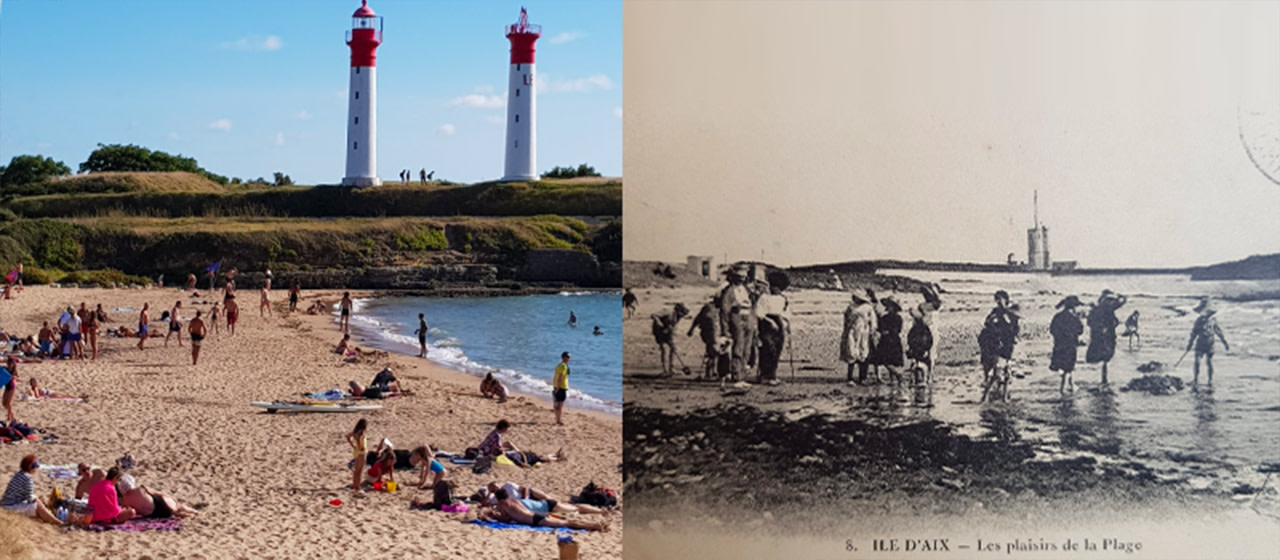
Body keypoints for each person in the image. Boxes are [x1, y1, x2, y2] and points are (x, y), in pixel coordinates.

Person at [479, 488, 609, 531]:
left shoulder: (503, 505)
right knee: (567, 519)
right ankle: (595, 524)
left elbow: (506, 520)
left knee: (566, 523)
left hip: (535, 519)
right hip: (537, 514)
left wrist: (494, 515)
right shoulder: (514, 501)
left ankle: (594, 525)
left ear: (499, 499)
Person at [978, 290, 1020, 402]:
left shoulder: (1012, 312)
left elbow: (1015, 328)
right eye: (996, 299)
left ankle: (1004, 396)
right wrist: (994, 325)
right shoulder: (995, 312)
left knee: (1007, 373)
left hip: (1009, 345)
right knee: (997, 373)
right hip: (998, 344)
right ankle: (985, 395)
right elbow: (987, 322)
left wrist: (1013, 332)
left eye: (1000, 299)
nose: (998, 301)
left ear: (1006, 299)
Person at [1, 455, 65, 526]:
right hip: (10, 506)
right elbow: (29, 498)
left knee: (37, 501)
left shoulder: (19, 474)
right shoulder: (27, 478)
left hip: (6, 503)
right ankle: (56, 522)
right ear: (32, 467)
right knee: (37, 506)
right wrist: (38, 501)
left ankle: (53, 518)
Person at [719, 266, 756, 381]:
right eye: (739, 277)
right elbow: (724, 311)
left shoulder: (746, 290)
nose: (742, 279)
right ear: (733, 277)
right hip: (736, 317)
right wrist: (725, 330)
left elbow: (753, 305)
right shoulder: (728, 291)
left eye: (744, 277)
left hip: (748, 317)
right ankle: (736, 375)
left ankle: (743, 375)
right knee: (738, 347)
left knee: (747, 348)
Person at [755, 272, 791, 386]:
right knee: (767, 349)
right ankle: (763, 375)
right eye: (773, 286)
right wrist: (769, 321)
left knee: (777, 350)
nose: (775, 289)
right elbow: (759, 313)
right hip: (766, 324)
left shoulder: (783, 299)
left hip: (779, 324)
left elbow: (786, 313)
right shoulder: (764, 298)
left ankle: (772, 375)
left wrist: (786, 325)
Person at [1086, 290, 1127, 385]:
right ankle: (1103, 379)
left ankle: (1103, 379)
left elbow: (1123, 301)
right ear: (1103, 300)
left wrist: (1119, 296)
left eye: (1110, 300)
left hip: (1107, 336)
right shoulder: (1102, 309)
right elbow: (1090, 322)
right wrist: (1101, 328)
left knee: (1105, 358)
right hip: (1102, 337)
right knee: (1104, 357)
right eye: (1108, 300)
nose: (1109, 302)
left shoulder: (1107, 308)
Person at [1187, 298, 1230, 388]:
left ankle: (1210, 380)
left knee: (1209, 362)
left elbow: (1219, 331)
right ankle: (1195, 379)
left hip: (1210, 343)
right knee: (1197, 362)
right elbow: (1194, 333)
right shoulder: (1198, 321)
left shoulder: (1213, 320)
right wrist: (1190, 344)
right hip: (1200, 343)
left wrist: (1224, 342)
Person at [116, 474, 199, 519]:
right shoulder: (141, 489)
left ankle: (185, 515)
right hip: (160, 503)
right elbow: (157, 493)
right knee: (177, 506)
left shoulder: (125, 500)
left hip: (153, 514)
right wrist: (167, 496)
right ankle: (192, 511)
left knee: (173, 513)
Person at [1049, 295, 1086, 393]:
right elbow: (1080, 330)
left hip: (1058, 345)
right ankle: (1063, 389)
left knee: (1065, 367)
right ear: (1074, 307)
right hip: (1070, 346)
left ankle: (1071, 385)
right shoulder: (1074, 318)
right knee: (1068, 367)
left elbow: (1052, 330)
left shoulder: (1057, 316)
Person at [840, 289, 878, 385]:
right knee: (852, 353)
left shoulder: (867, 308)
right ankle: (853, 378)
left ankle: (861, 377)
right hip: (853, 331)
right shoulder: (851, 307)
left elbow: (873, 321)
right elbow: (846, 320)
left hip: (862, 332)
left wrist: (872, 331)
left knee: (862, 353)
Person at [871, 296, 906, 384]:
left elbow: (880, 328)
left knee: (884, 360)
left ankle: (897, 375)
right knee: (892, 360)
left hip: (887, 340)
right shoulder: (898, 318)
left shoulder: (886, 317)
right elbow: (898, 330)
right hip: (895, 340)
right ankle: (893, 379)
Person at [651, 303, 690, 376]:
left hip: (667, 332)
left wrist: (670, 335)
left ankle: (671, 368)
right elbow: (654, 315)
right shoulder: (668, 312)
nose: (683, 315)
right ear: (678, 310)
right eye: (683, 313)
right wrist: (660, 324)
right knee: (664, 349)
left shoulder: (678, 317)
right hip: (659, 332)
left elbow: (672, 327)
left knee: (674, 349)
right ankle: (665, 370)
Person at [688, 297, 721, 379]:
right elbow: (708, 319)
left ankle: (712, 371)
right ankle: (708, 373)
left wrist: (691, 329)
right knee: (712, 352)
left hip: (710, 333)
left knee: (713, 352)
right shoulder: (711, 308)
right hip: (710, 333)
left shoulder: (709, 307)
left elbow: (697, 318)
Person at [346, 418, 369, 493]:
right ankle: (358, 487)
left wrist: (352, 445)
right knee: (360, 470)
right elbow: (360, 440)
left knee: (356, 470)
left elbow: (348, 436)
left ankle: (355, 485)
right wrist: (360, 447)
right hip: (361, 453)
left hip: (356, 451)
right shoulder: (361, 433)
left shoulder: (355, 432)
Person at [553, 352, 571, 425]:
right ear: (564, 358)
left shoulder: (559, 365)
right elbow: (560, 376)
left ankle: (557, 419)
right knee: (560, 404)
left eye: (569, 357)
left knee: (557, 403)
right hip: (561, 386)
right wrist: (558, 387)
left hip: (557, 385)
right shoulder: (563, 366)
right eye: (567, 357)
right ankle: (558, 420)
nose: (569, 359)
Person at [1, 356, 17, 425]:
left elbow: (16, 377)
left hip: (12, 386)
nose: (10, 364)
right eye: (9, 363)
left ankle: (10, 417)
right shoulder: (5, 369)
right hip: (7, 386)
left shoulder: (13, 370)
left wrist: (13, 377)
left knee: (8, 403)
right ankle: (12, 416)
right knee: (4, 403)